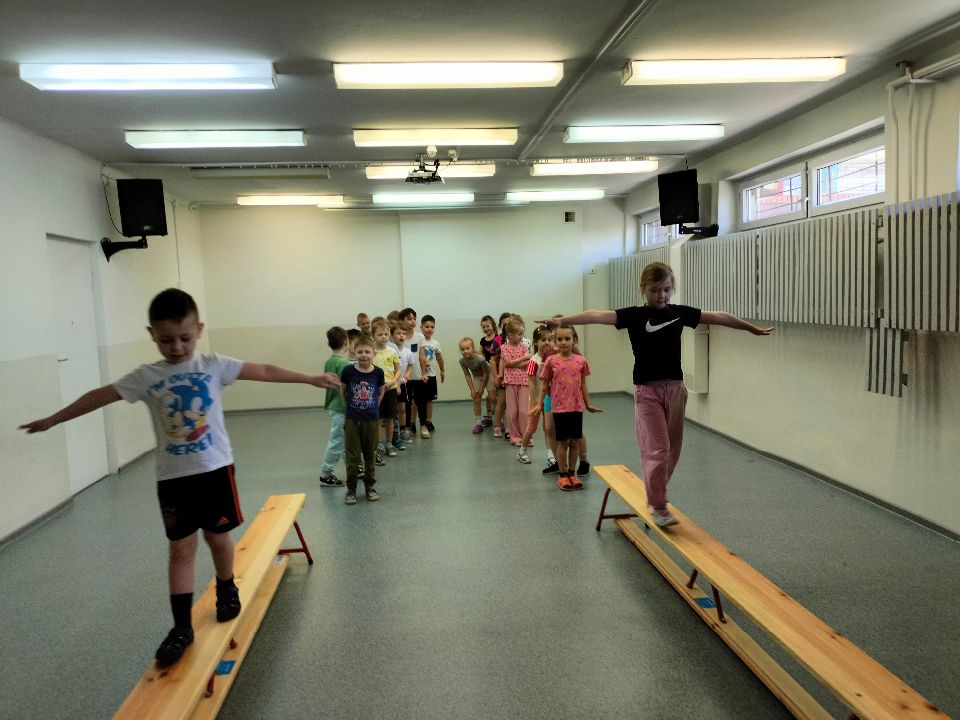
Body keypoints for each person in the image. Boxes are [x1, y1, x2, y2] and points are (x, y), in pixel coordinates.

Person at [19, 288, 340, 666]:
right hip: (173, 479)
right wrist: (53, 420)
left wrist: (309, 379)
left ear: (199, 330)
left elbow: (264, 371)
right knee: (181, 550)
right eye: (166, 340)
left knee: (218, 538)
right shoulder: (147, 377)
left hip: (215, 470)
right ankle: (181, 627)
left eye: (185, 338)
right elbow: (100, 395)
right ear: (152, 334)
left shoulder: (213, 365)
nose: (177, 347)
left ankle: (226, 587)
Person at [541, 261, 773, 523]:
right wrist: (562, 321)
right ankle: (659, 505)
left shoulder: (679, 313)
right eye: (654, 290)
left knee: (672, 451)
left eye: (666, 289)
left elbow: (719, 316)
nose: (661, 295)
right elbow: (596, 315)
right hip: (648, 392)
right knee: (657, 450)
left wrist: (750, 328)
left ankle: (656, 492)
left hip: (675, 390)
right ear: (643, 289)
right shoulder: (634, 316)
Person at [536, 324, 601, 490]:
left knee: (574, 442)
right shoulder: (551, 361)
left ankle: (572, 473)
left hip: (576, 407)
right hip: (559, 408)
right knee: (563, 442)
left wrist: (588, 404)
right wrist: (539, 404)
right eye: (560, 339)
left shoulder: (581, 361)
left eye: (567, 338)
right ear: (555, 341)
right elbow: (544, 385)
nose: (563, 342)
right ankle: (563, 474)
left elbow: (583, 384)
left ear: (574, 340)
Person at [340, 333, 385, 505]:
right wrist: (349, 407)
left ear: (373, 353)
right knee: (352, 456)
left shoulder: (378, 373)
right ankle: (351, 489)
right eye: (360, 352)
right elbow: (343, 391)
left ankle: (370, 486)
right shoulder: (348, 371)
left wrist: (373, 407)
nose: (363, 355)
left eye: (367, 352)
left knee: (370, 454)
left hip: (371, 420)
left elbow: (380, 393)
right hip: (352, 419)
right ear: (354, 353)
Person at [517, 326, 557, 464]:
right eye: (543, 340)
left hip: (548, 399)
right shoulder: (533, 362)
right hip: (535, 400)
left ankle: (551, 454)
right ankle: (522, 450)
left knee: (548, 428)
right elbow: (532, 384)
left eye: (550, 340)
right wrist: (534, 403)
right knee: (531, 427)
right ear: (535, 342)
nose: (547, 342)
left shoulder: (554, 359)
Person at [319, 326, 352, 487]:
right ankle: (326, 473)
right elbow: (346, 388)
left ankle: (352, 466)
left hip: (334, 405)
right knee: (337, 440)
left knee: (345, 438)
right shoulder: (344, 364)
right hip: (341, 407)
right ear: (346, 342)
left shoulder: (329, 361)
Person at [499, 316, 532, 447]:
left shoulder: (524, 346)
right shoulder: (504, 347)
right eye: (519, 334)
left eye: (522, 333)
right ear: (510, 334)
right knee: (512, 411)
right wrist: (522, 359)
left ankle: (526, 436)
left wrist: (513, 364)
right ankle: (515, 437)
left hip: (524, 381)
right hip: (510, 382)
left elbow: (528, 362)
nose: (521, 336)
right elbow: (507, 362)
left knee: (524, 411)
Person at [371, 319, 401, 463]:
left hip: (391, 389)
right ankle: (380, 444)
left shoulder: (393, 351)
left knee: (390, 417)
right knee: (378, 418)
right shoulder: (371, 353)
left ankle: (389, 443)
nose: (384, 337)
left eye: (386, 334)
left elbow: (398, 369)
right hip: (376, 390)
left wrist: (394, 381)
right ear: (373, 336)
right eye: (380, 334)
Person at [399, 307, 430, 438]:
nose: (413, 321)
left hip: (417, 375)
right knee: (406, 403)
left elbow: (422, 356)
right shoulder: (399, 337)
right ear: (402, 321)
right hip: (403, 377)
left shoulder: (420, 337)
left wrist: (423, 373)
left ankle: (423, 425)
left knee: (421, 402)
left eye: (414, 318)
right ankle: (407, 427)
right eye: (409, 319)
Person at [458, 337, 491, 434]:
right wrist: (472, 390)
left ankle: (496, 420)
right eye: (462, 349)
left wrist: (482, 388)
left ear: (473, 348)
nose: (465, 351)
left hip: (489, 374)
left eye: (467, 348)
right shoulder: (462, 361)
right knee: (476, 398)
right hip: (477, 376)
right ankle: (478, 423)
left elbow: (486, 373)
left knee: (492, 396)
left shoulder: (480, 359)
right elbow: (467, 375)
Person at [420, 315, 444, 432]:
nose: (429, 329)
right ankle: (414, 422)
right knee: (417, 400)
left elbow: (439, 358)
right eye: (427, 326)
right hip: (419, 376)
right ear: (421, 327)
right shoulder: (418, 341)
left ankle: (429, 421)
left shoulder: (435, 343)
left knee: (429, 400)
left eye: (432, 327)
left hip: (431, 375)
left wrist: (442, 370)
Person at [478, 315, 499, 425]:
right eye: (483, 327)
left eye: (488, 326)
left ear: (493, 326)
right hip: (488, 370)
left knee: (497, 396)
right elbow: (480, 354)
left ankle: (500, 417)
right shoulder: (483, 341)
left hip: (498, 370)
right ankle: (489, 415)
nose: (486, 328)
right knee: (490, 395)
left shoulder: (498, 338)